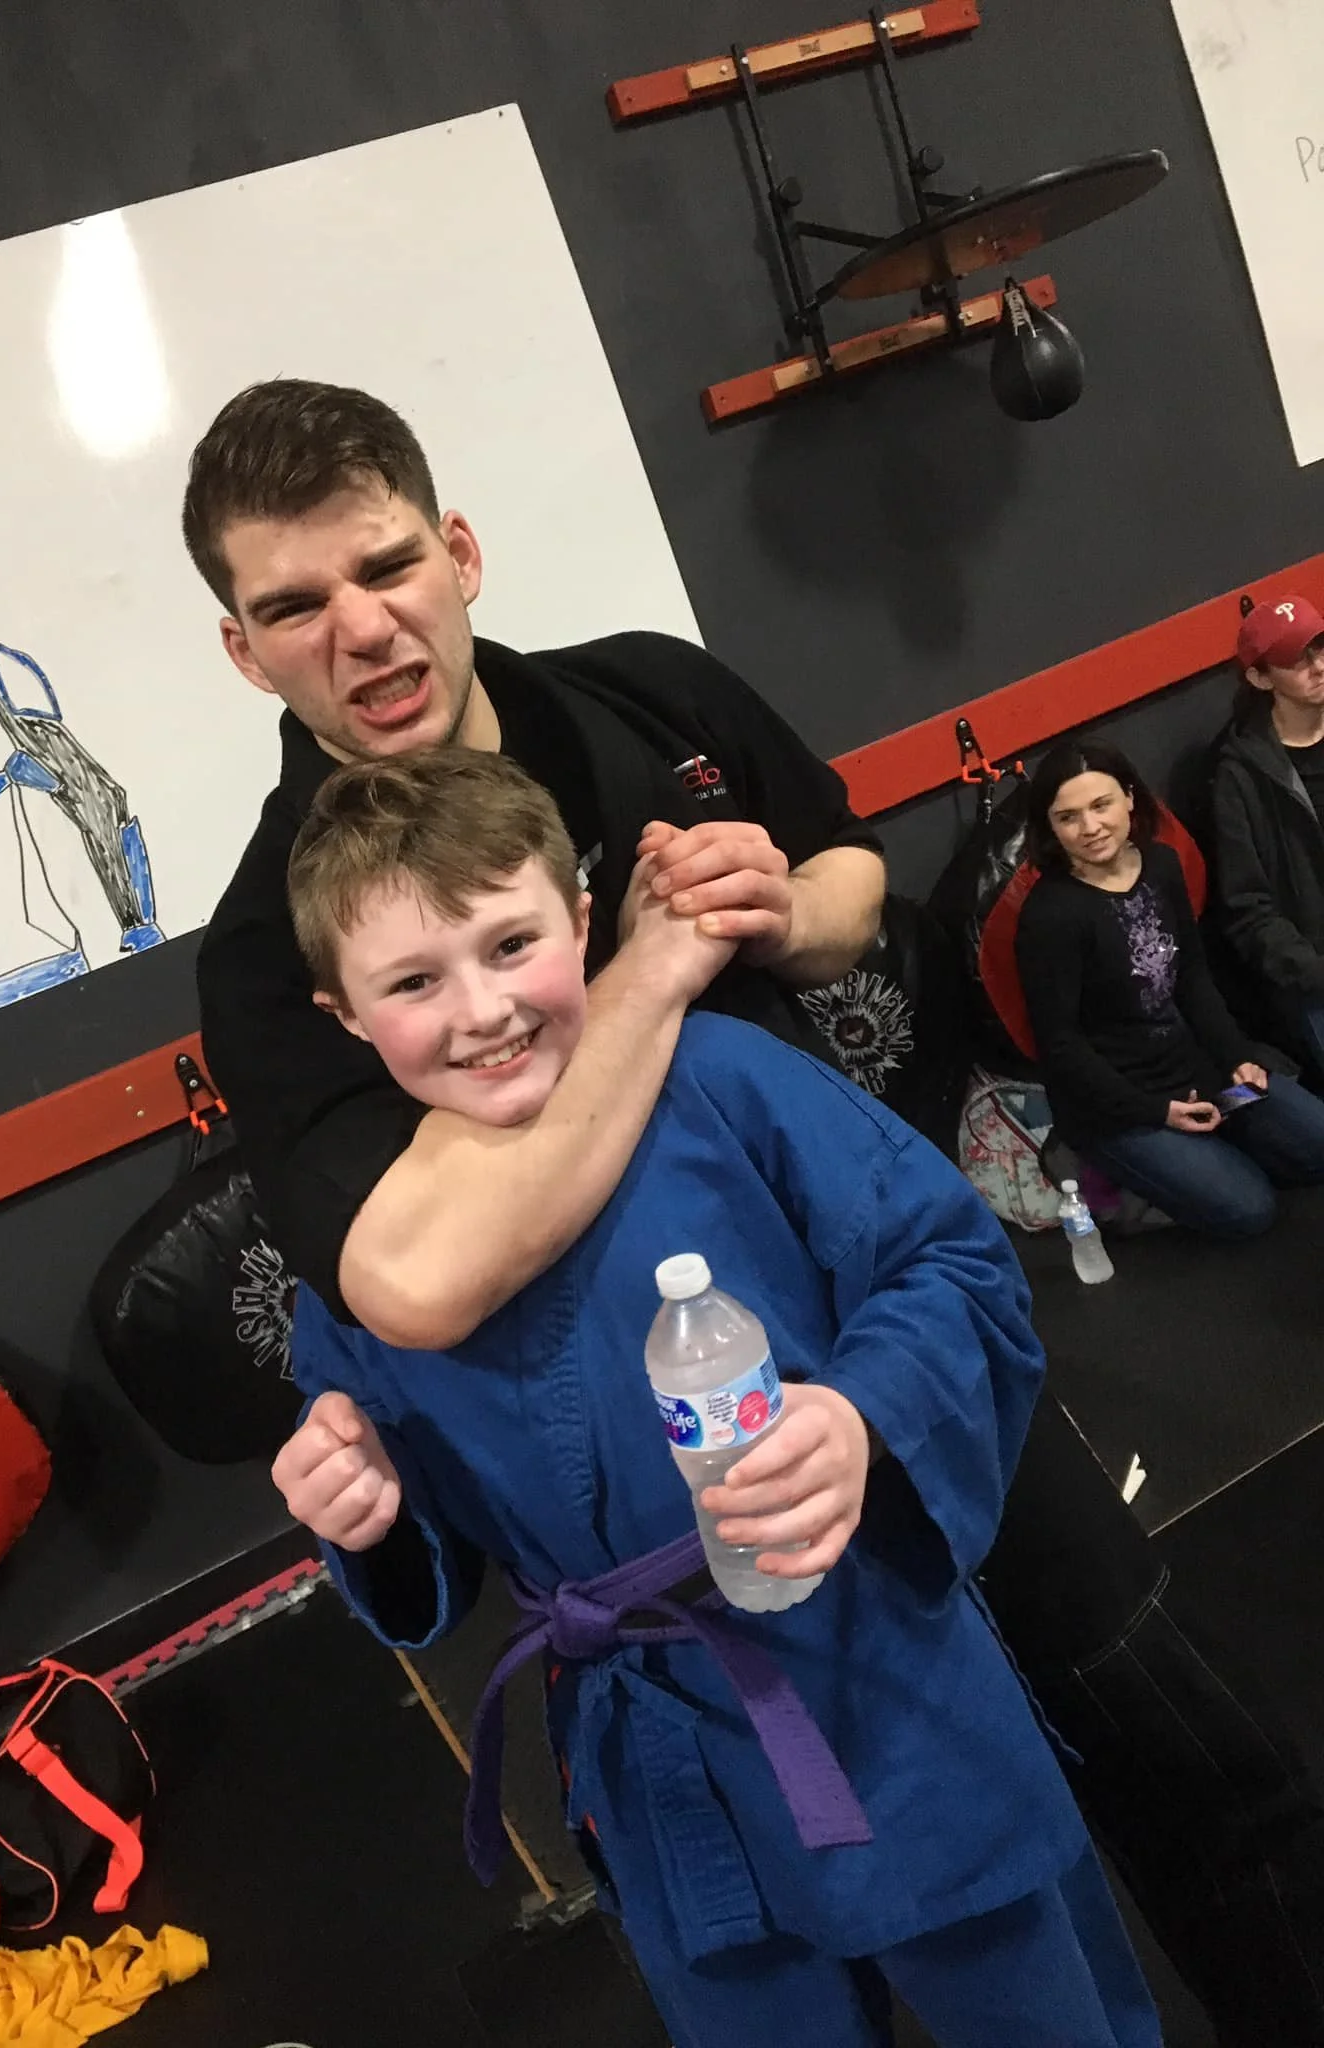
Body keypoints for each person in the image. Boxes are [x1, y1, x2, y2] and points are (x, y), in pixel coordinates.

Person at [190, 380, 1324, 2044]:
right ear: (242, 651)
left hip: (882, 1334)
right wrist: (655, 971)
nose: (359, 628)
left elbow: (848, 876)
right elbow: (413, 1289)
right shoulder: (269, 949)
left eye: (384, 566)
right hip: (666, 1570)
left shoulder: (648, 695)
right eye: (294, 605)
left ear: (458, 551)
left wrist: (776, 911)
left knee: (1160, 1736)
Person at [279, 745, 1162, 2048]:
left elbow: (954, 1265)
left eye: (512, 944)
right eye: (413, 981)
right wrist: (362, 1507)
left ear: (584, 920)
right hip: (653, 1751)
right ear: (346, 1016)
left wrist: (859, 1413)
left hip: (867, 1667)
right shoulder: (370, 1258)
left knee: (1035, 2011)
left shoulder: (723, 1082)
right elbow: (407, 1519)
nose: (482, 1010)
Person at [1015, 737, 1324, 1238]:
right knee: (1249, 1210)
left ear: (1129, 798)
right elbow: (1062, 1046)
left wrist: (1236, 1056)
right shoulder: (1050, 916)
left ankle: (1207, 1157)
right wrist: (1158, 1112)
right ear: (1050, 826)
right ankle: (1115, 1175)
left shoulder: (1160, 864)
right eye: (1068, 817)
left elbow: (1193, 979)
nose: (1090, 828)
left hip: (1193, 1072)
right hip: (1120, 1107)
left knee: (1316, 1145)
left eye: (1101, 805)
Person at [1210, 595, 1324, 1071]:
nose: (1319, 666)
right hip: (1313, 979)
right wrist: (1314, 971)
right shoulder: (1238, 777)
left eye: (1321, 646)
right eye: (1297, 659)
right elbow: (1249, 912)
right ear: (1260, 678)